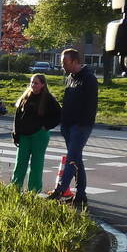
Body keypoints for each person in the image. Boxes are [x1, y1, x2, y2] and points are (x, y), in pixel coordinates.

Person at [47, 48, 99, 209]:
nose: (62, 65)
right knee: (77, 160)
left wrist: (80, 123)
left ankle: (60, 190)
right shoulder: (70, 78)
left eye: (65, 62)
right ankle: (81, 194)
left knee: (71, 158)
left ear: (75, 61)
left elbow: (91, 106)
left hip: (81, 126)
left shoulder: (89, 79)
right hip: (68, 125)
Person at [10, 73, 61, 192]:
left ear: (43, 85)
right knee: (20, 162)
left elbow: (58, 115)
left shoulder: (48, 99)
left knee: (36, 164)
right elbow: (17, 116)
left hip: (39, 135)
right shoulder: (25, 97)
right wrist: (15, 133)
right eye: (32, 82)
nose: (33, 85)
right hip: (24, 135)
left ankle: (34, 190)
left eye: (36, 83)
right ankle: (15, 186)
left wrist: (46, 126)